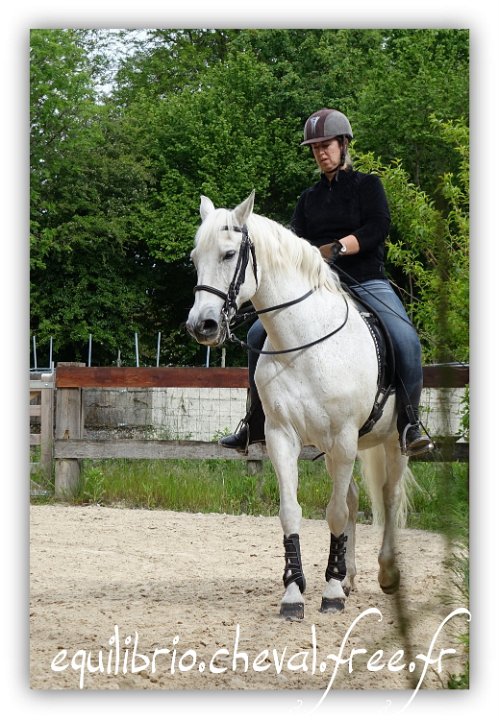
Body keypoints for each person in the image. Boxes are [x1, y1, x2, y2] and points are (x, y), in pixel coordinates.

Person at [220, 107, 434, 457]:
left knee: (406, 338)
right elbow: (295, 241)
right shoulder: (308, 199)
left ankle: (410, 424)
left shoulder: (369, 186)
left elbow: (378, 227)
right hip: (316, 286)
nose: (321, 152)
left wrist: (338, 247)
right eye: (315, 147)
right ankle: (254, 421)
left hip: (365, 280)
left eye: (327, 145)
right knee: (257, 333)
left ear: (344, 144)